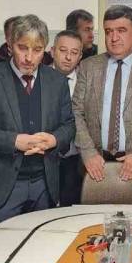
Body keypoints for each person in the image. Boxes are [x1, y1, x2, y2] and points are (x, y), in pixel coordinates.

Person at [0, 15, 75, 228]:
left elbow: (69, 125)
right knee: (2, 245)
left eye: (37, 50)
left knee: (43, 243)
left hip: (45, 182)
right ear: (10, 45)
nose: (29, 58)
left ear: (45, 50)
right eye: (22, 48)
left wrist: (54, 139)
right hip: (3, 185)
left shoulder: (57, 81)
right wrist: (14, 141)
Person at [72, 5, 132, 186]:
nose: (114, 37)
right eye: (108, 31)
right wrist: (88, 152)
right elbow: (76, 112)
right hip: (95, 163)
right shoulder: (89, 66)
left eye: (121, 30)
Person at [49, 29, 84, 206]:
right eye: (63, 51)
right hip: (44, 158)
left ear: (80, 56)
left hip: (75, 158)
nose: (68, 57)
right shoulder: (36, 79)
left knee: (72, 208)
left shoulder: (86, 83)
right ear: (52, 51)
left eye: (74, 52)